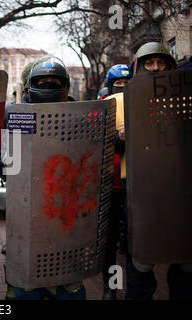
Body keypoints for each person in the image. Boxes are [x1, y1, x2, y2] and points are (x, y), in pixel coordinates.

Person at [122, 42, 192, 300]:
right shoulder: (124, 99)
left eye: (161, 63)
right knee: (142, 261)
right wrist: (122, 133)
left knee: (186, 261)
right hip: (143, 192)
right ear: (139, 68)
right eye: (149, 63)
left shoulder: (184, 97)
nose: (155, 68)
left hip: (180, 190)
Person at [13, 56, 85, 300]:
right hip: (28, 211)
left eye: (54, 81)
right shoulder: (14, 116)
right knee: (28, 282)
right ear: (30, 85)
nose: (48, 85)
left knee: (70, 282)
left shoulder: (82, 117)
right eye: (42, 81)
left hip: (67, 212)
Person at [100, 64, 133, 300]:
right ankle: (110, 287)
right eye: (118, 85)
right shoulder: (102, 107)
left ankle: (134, 288)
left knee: (134, 242)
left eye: (127, 84)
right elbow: (95, 142)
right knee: (109, 242)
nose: (122, 89)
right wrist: (116, 138)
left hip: (136, 183)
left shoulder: (144, 104)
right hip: (111, 184)